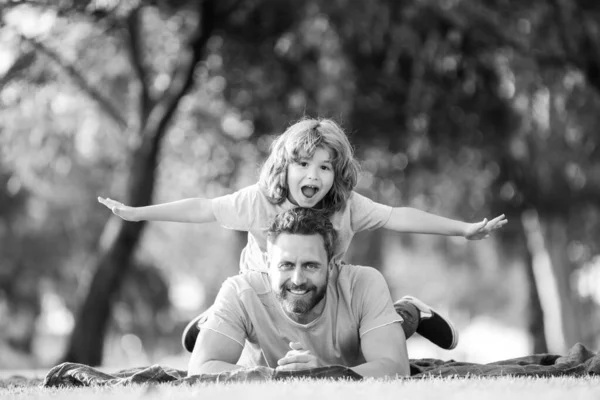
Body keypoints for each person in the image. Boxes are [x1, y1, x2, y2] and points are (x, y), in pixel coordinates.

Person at [98, 117, 507, 351]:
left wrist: (463, 229)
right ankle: (219, 318)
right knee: (261, 345)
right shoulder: (259, 201)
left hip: (324, 297)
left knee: (353, 348)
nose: (314, 175)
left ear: (336, 175)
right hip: (266, 299)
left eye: (325, 168)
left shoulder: (347, 206)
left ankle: (408, 313)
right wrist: (137, 213)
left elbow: (399, 216)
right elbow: (203, 208)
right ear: (285, 168)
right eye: (304, 164)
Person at [188, 207, 409, 378]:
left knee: (401, 322)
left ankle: (411, 311)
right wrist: (276, 377)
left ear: (331, 265)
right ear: (267, 263)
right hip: (245, 305)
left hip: (366, 323)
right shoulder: (240, 291)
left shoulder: (363, 283)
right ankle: (214, 317)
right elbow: (200, 370)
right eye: (286, 265)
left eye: (311, 266)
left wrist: (323, 373)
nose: (297, 280)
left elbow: (397, 368)